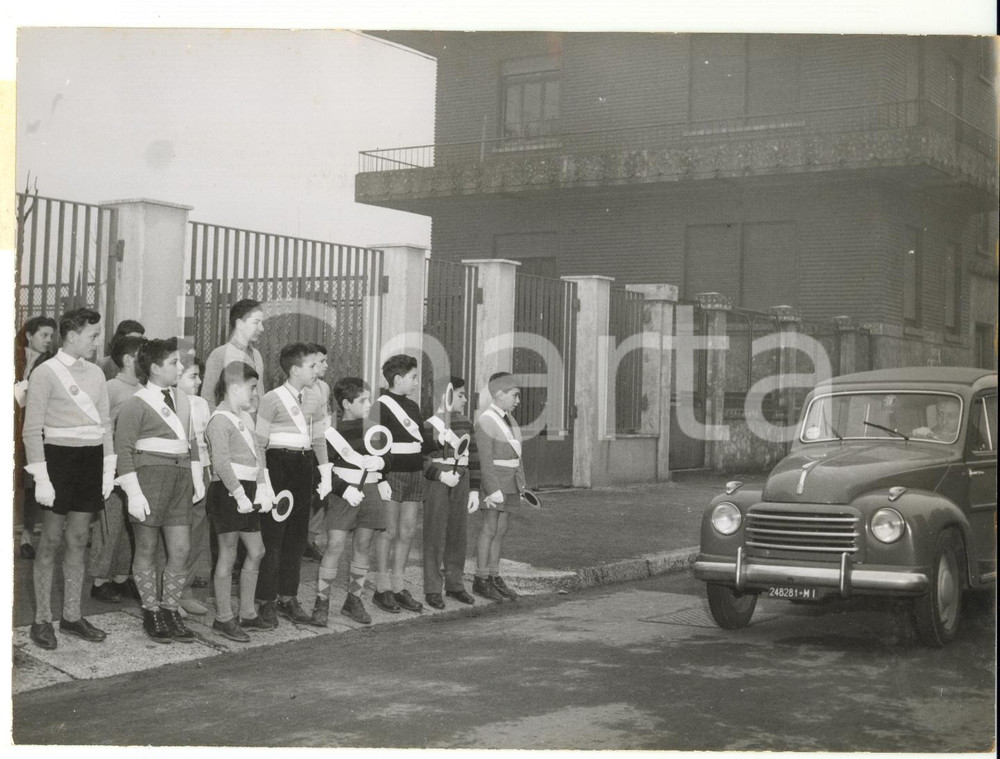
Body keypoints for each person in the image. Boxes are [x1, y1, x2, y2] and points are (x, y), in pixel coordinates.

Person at [21, 307, 115, 650]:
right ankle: (42, 618)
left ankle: (72, 615)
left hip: (90, 460)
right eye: (92, 335)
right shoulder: (45, 373)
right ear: (71, 336)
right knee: (49, 542)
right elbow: (32, 431)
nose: (96, 340)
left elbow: (104, 424)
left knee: (78, 540)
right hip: (58, 461)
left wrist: (107, 467)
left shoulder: (96, 373)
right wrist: (42, 477)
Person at [114, 338, 205, 643]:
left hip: (180, 479)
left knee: (180, 548)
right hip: (149, 478)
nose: (180, 368)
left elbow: (190, 441)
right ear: (154, 369)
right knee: (147, 548)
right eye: (173, 363)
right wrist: (133, 492)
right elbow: (123, 450)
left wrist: (196, 477)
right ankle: (151, 610)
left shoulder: (182, 400)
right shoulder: (134, 404)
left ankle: (169, 608)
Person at [253, 342, 331, 627]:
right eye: (312, 366)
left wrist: (325, 471)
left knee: (297, 538)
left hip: (303, 466)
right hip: (278, 466)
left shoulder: (315, 397)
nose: (317, 370)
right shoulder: (272, 399)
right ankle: (266, 600)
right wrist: (263, 481)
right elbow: (259, 443)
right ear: (295, 370)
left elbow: (319, 437)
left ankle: (288, 596)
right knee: (273, 538)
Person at [311, 377, 388, 626]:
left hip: (370, 490)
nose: (369, 404)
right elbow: (321, 469)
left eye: (369, 399)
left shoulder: (374, 428)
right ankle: (321, 602)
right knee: (334, 545)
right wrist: (343, 489)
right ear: (346, 403)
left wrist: (383, 465)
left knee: (363, 545)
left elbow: (388, 455)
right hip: (343, 495)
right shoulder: (331, 433)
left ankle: (353, 600)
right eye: (362, 400)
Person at [371, 354, 444, 614]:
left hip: (415, 473)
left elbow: (422, 443)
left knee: (407, 531)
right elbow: (374, 446)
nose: (417, 383)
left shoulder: (413, 407)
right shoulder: (378, 407)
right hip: (391, 475)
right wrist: (379, 479)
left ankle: (399, 585)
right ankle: (381, 588)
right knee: (387, 532)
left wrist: (441, 442)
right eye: (414, 377)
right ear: (398, 378)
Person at [205, 361, 272, 642]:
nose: (256, 394)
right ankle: (223, 617)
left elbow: (258, 453)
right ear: (234, 388)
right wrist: (239, 494)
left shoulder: (244, 417)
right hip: (228, 491)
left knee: (257, 551)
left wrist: (264, 487)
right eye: (252, 388)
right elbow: (221, 463)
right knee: (228, 553)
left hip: (248, 488)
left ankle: (246, 611)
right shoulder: (219, 420)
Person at [88, 334, 147, 604]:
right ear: (127, 360)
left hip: (137, 465)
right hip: (112, 466)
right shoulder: (110, 387)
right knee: (109, 525)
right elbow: (100, 427)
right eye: (142, 355)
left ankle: (121, 578)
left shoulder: (146, 390)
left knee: (129, 525)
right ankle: (100, 581)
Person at [422, 376, 481, 609]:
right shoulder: (427, 425)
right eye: (460, 395)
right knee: (435, 534)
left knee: (458, 533)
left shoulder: (466, 423)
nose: (465, 399)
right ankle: (433, 588)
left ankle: (455, 584)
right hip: (438, 480)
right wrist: (439, 474)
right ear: (444, 396)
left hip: (462, 479)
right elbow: (421, 459)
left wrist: (475, 489)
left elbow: (473, 457)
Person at [472, 372, 526, 602]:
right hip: (494, 483)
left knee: (501, 531)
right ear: (499, 394)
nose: (518, 401)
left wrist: (522, 485)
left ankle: (493, 575)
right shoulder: (486, 420)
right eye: (514, 395)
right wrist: (492, 490)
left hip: (510, 482)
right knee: (489, 529)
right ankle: (480, 578)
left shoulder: (509, 419)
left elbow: (517, 455)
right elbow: (484, 460)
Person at [14, 315, 57, 560]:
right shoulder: (13, 356)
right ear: (29, 335)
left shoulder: (49, 364)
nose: (48, 340)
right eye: (44, 335)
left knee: (30, 482)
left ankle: (27, 536)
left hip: (32, 428)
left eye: (51, 336)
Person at [177, 356, 213, 615]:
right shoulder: (169, 403)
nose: (199, 382)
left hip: (203, 470)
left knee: (196, 533)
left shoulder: (201, 404)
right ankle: (167, 593)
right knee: (175, 536)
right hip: (180, 470)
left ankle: (185, 591)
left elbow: (206, 441)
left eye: (199, 375)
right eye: (192, 376)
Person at [201, 299, 265, 413]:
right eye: (256, 322)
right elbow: (207, 399)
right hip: (231, 424)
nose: (261, 328)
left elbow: (260, 394)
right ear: (240, 324)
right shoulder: (219, 354)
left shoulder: (257, 355)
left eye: (261, 323)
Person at [303, 343, 333, 562]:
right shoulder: (300, 388)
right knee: (304, 497)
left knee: (322, 496)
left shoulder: (323, 387)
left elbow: (325, 418)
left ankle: (310, 539)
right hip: (303, 448)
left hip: (321, 446)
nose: (325, 365)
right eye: (321, 361)